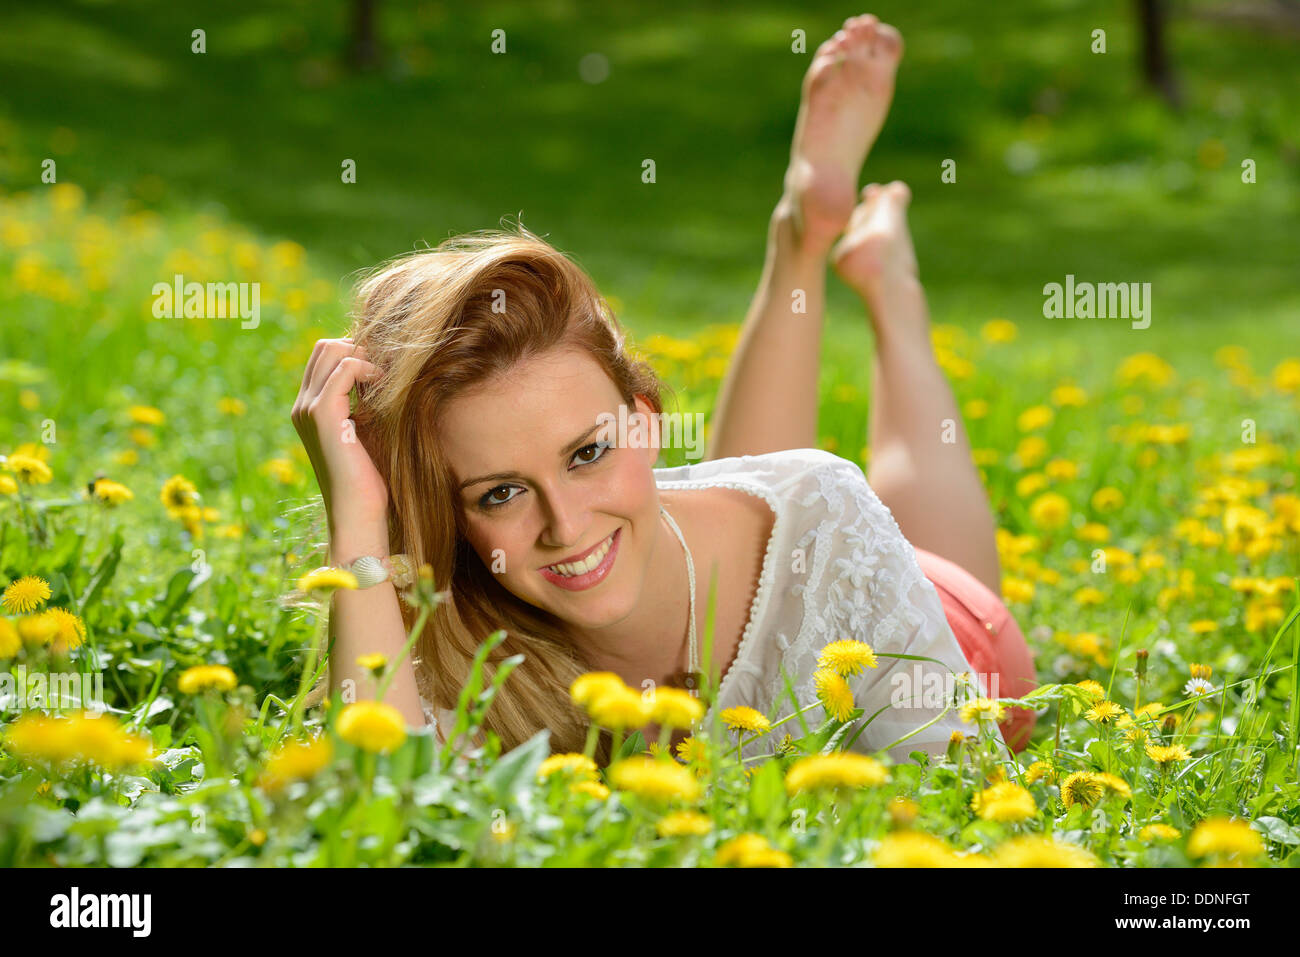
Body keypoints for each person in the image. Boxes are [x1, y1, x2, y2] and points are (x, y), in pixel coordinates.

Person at [291, 14, 1037, 767]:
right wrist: (357, 520)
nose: (564, 523)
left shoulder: (828, 519)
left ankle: (879, 286)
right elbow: (386, 804)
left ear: (646, 421)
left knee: (826, 506)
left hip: (938, 627)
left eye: (586, 452)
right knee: (731, 501)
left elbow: (959, 788)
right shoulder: (448, 634)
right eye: (499, 494)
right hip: (706, 537)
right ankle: (805, 238)